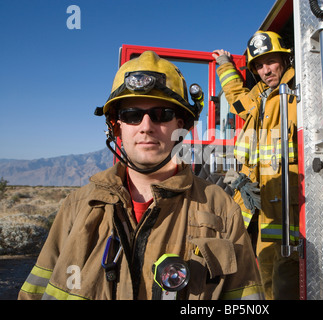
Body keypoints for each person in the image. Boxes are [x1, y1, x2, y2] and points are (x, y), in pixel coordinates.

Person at [18, 51, 264, 300]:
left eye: (161, 114)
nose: (146, 126)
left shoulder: (222, 209)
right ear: (116, 126)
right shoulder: (77, 207)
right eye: (132, 115)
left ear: (180, 126)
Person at [213, 31, 300, 300]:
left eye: (270, 62)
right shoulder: (260, 95)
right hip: (258, 195)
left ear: (285, 60)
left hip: (285, 197)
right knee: (259, 261)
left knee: (283, 266)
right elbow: (238, 99)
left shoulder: (298, 91)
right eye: (259, 66)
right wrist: (226, 65)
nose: (265, 70)